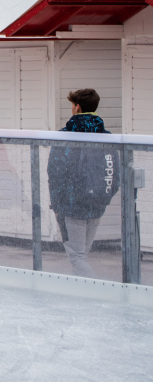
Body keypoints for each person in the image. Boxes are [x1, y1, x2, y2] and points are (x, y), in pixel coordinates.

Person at [47, 89, 120, 279]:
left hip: (72, 207)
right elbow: (115, 174)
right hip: (97, 203)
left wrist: (56, 204)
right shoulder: (106, 136)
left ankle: (96, 291)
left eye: (72, 105)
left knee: (77, 256)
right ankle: (84, 289)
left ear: (77, 107)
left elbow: (55, 173)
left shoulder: (66, 135)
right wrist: (104, 197)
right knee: (82, 254)